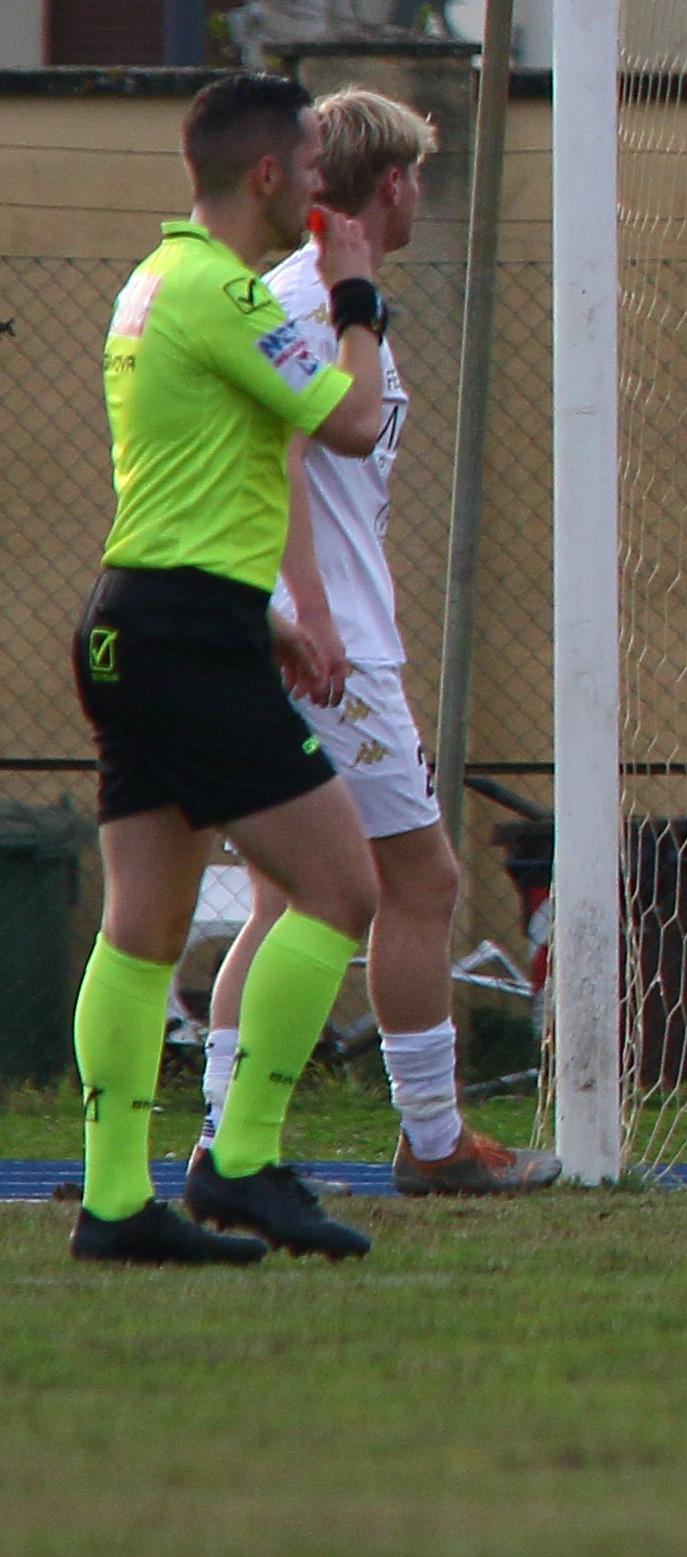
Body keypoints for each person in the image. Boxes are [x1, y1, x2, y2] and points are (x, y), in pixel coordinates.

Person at [66, 73, 398, 1264]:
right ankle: (243, 1160)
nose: (320, 186)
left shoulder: (152, 280)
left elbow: (189, 483)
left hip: (133, 622)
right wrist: (358, 300)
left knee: (144, 925)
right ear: (268, 176)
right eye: (309, 166)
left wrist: (268, 615)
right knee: (343, 889)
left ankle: (115, 1206)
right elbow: (350, 421)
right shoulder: (227, 292)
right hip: (188, 639)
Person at [199, 89, 553, 1197]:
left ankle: (225, 1137)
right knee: (422, 879)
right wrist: (310, 611)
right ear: (392, 183)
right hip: (327, 646)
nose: (421, 196)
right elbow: (281, 460)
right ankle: (433, 1138)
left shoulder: (321, 299)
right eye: (419, 178)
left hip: (294, 633)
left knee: (283, 898)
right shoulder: (310, 304)